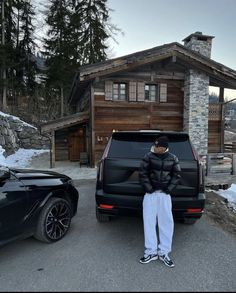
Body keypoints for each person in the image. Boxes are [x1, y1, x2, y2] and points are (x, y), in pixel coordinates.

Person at [139, 136, 181, 268]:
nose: (157, 148)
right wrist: (149, 189)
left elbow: (177, 175)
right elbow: (142, 174)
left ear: (165, 147)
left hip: (165, 195)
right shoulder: (148, 156)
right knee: (149, 223)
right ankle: (151, 252)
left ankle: (164, 252)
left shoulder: (173, 158)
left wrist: (169, 189)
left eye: (159, 146)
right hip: (150, 195)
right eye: (156, 146)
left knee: (166, 223)